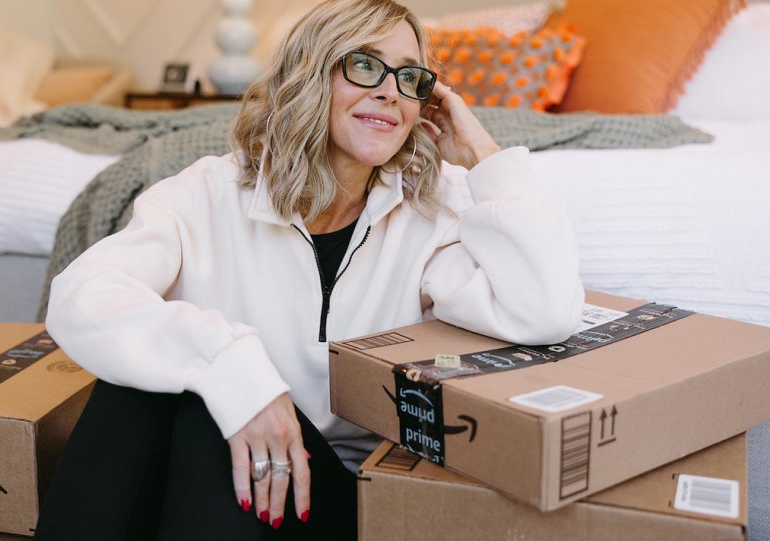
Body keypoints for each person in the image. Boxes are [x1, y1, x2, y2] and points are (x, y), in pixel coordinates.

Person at [34, 0, 584, 539]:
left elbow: (546, 311)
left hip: (340, 500)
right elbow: (82, 294)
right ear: (309, 75)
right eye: (365, 65)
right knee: (145, 390)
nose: (390, 91)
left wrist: (483, 156)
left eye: (410, 78)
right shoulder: (208, 192)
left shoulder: (433, 207)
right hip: (220, 484)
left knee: (203, 419)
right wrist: (235, 373)